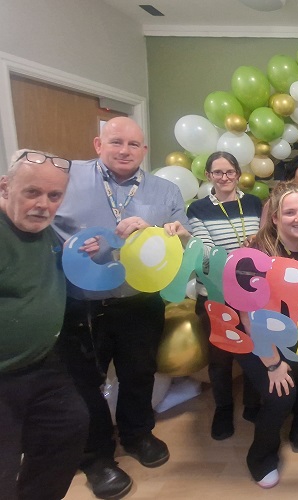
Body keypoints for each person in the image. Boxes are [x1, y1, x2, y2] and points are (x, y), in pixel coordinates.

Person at [52, 117, 190, 500]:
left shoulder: (164, 191)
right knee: (84, 384)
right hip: (80, 305)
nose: (125, 150)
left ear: (145, 151)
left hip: (139, 302)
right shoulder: (67, 178)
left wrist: (168, 232)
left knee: (139, 372)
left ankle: (137, 434)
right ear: (98, 144)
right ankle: (95, 456)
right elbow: (41, 224)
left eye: (134, 144)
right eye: (116, 142)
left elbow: (185, 235)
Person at [0, 150, 90, 500]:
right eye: (32, 192)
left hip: (41, 366)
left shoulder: (46, 233)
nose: (43, 204)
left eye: (54, 196)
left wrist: (80, 252)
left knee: (68, 427)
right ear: (6, 187)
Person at [236, 182, 298, 490]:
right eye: (289, 212)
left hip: (294, 332)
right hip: (257, 338)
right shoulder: (254, 253)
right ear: (275, 218)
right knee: (283, 392)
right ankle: (259, 457)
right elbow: (247, 317)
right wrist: (273, 363)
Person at [187, 151, 262, 440]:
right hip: (215, 293)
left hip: (252, 291)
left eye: (230, 172)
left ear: (238, 173)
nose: (225, 178)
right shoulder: (198, 209)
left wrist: (257, 244)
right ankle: (223, 408)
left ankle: (252, 404)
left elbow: (266, 241)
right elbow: (206, 252)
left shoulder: (254, 203)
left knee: (255, 349)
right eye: (218, 173)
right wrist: (242, 254)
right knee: (220, 356)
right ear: (208, 176)